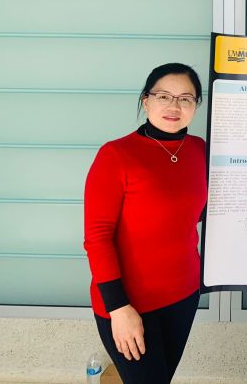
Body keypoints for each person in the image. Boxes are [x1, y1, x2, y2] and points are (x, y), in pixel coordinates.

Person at [84, 63, 207, 383]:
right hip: (129, 302)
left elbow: (196, 213)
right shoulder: (116, 155)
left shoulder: (200, 151)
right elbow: (97, 238)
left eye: (185, 98)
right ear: (146, 101)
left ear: (196, 106)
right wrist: (118, 308)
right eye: (164, 96)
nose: (174, 106)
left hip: (184, 294)